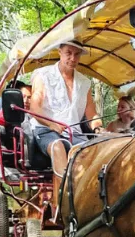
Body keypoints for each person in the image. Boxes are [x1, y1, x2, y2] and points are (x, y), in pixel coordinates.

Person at [29, 40, 102, 209]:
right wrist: (52, 124)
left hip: (74, 132)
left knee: (92, 149)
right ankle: (63, 202)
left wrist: (98, 128)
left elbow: (91, 114)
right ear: (59, 51)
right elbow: (34, 107)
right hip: (45, 128)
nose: (72, 58)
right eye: (68, 53)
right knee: (57, 147)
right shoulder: (43, 75)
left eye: (77, 54)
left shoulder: (85, 82)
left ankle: (89, 197)